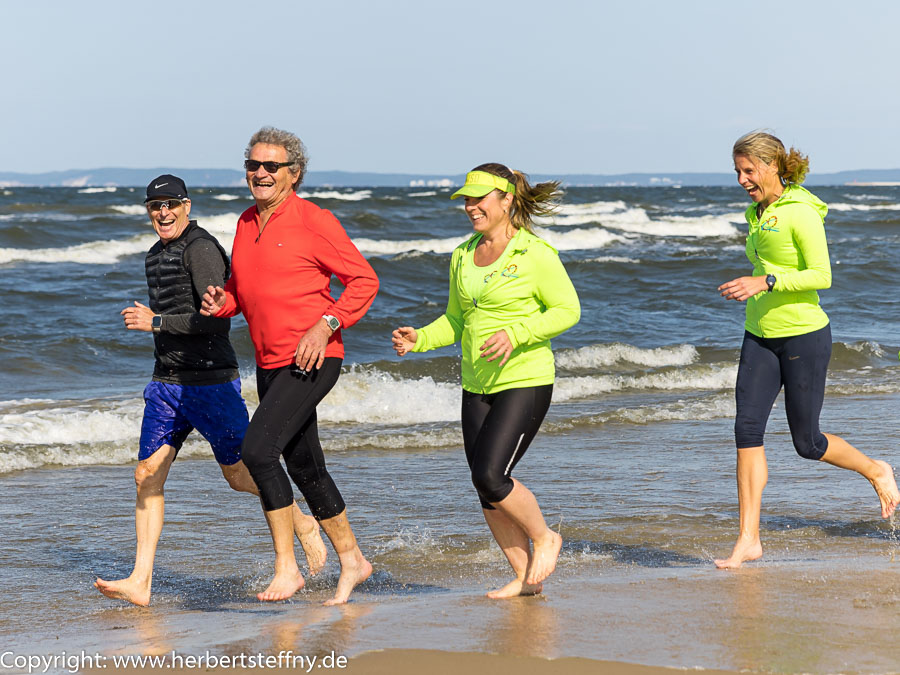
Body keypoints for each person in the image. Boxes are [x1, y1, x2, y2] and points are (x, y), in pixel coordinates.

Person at [95, 175, 326, 606]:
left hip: (210, 384)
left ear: (185, 205)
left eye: (170, 205)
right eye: (154, 207)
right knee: (146, 475)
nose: (162, 213)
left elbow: (219, 320)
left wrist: (156, 322)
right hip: (166, 383)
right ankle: (140, 581)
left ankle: (303, 522)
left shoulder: (201, 250)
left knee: (240, 476)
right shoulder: (154, 256)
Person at [201, 127, 378, 605]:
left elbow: (363, 280)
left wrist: (326, 325)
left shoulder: (314, 220)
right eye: (253, 165)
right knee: (304, 465)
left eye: (271, 166)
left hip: (313, 356)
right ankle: (354, 560)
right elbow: (246, 291)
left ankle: (287, 569)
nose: (260, 173)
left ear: (293, 174)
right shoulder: (244, 222)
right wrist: (223, 302)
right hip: (269, 361)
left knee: (258, 452)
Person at [392, 164, 580, 598]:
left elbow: (567, 310)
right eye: (466, 199)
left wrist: (517, 333)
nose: (470, 207)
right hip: (477, 384)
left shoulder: (535, 254)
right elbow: (456, 320)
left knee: (493, 475)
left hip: (525, 379)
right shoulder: (462, 254)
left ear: (507, 199)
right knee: (484, 486)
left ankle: (547, 537)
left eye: (479, 199)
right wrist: (419, 338)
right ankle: (524, 578)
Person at [715, 131, 900, 569]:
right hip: (759, 333)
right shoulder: (757, 212)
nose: (742, 178)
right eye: (737, 171)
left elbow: (821, 275)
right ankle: (748, 539)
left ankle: (876, 469)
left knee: (807, 442)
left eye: (749, 170)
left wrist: (766, 281)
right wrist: (758, 285)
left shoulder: (801, 213)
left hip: (803, 335)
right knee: (746, 431)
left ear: (773, 165)